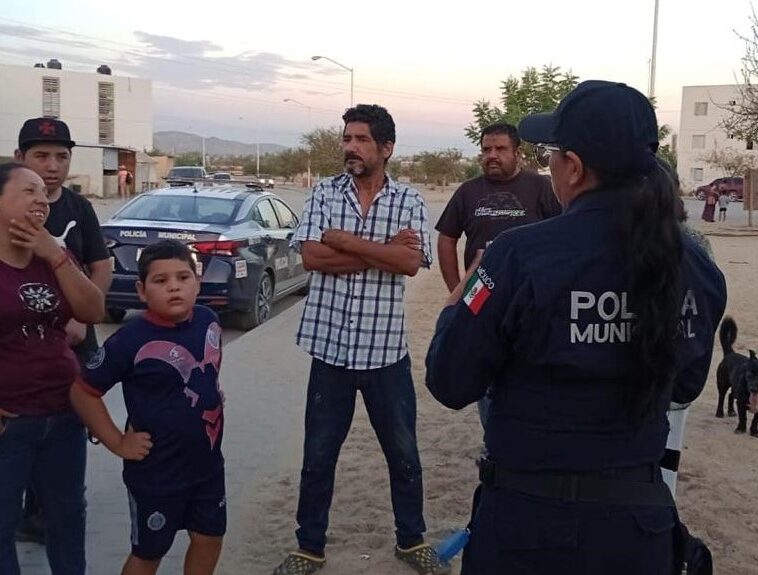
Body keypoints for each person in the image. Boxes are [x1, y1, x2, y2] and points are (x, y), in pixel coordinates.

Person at [425, 81, 727, 574]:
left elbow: (449, 380)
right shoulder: (694, 263)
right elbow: (686, 385)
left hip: (528, 527)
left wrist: (457, 304)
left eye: (550, 155)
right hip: (636, 530)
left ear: (575, 167)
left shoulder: (517, 255)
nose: (549, 168)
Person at [272, 105, 447, 575]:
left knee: (404, 452)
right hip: (329, 349)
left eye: (361, 139)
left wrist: (344, 240)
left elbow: (411, 265)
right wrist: (383, 251)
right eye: (347, 138)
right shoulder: (325, 191)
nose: (350, 147)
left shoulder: (408, 200)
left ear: (386, 148)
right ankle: (309, 546)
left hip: (385, 352)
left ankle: (411, 541)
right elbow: (311, 256)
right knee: (318, 454)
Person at [70, 240, 226, 575]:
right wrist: (116, 441)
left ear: (197, 282)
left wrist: (212, 393)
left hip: (207, 466)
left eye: (183, 277)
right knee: (149, 552)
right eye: (161, 280)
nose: (174, 286)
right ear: (142, 290)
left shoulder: (209, 321)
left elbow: (205, 372)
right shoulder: (130, 340)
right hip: (157, 473)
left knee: (210, 537)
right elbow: (83, 392)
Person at [0, 162, 105, 575]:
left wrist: (55, 255)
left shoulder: (53, 256)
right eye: (29, 191)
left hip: (63, 415)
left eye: (44, 193)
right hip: (11, 424)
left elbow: (92, 310)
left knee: (67, 519)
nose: (41, 199)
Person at [14, 117, 112, 544]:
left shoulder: (78, 209)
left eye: (61, 156)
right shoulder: (8, 209)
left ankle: (59, 515)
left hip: (75, 348)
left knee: (67, 434)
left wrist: (79, 316)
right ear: (20, 159)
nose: (52, 166)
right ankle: (27, 513)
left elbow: (101, 266)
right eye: (41, 156)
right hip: (20, 352)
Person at [435, 121, 560, 427]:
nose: (492, 155)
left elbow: (562, 235)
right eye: (486, 149)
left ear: (517, 153)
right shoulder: (468, 192)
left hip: (533, 302)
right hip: (480, 298)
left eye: (500, 149)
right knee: (485, 376)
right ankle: (495, 443)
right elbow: (446, 239)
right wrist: (458, 290)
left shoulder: (541, 188)